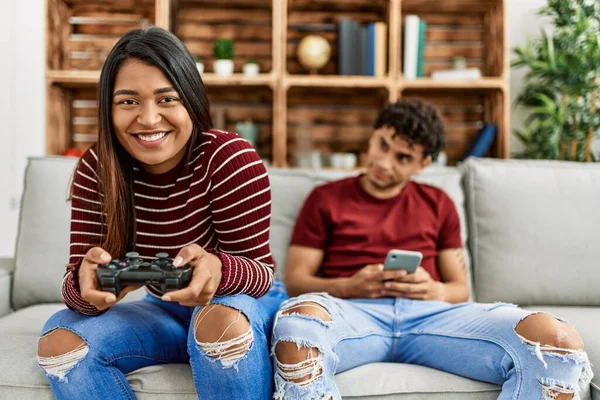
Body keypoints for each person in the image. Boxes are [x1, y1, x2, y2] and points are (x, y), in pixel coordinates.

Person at [271, 99, 593, 400]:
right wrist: (348, 285)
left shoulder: (439, 204)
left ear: (423, 164)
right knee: (298, 327)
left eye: (403, 158)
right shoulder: (325, 198)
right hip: (350, 311)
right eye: (383, 145)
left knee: (555, 342)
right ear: (372, 137)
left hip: (430, 315)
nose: (384, 162)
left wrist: (432, 288)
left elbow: (459, 289)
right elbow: (296, 281)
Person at [36, 27, 287, 400]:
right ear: (108, 107)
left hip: (238, 302)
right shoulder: (96, 168)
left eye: (166, 99)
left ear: (191, 99)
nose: (149, 119)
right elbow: (76, 289)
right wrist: (85, 284)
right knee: (60, 342)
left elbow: (262, 275)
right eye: (128, 102)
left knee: (218, 322)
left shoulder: (229, 157)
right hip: (164, 309)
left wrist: (217, 267)